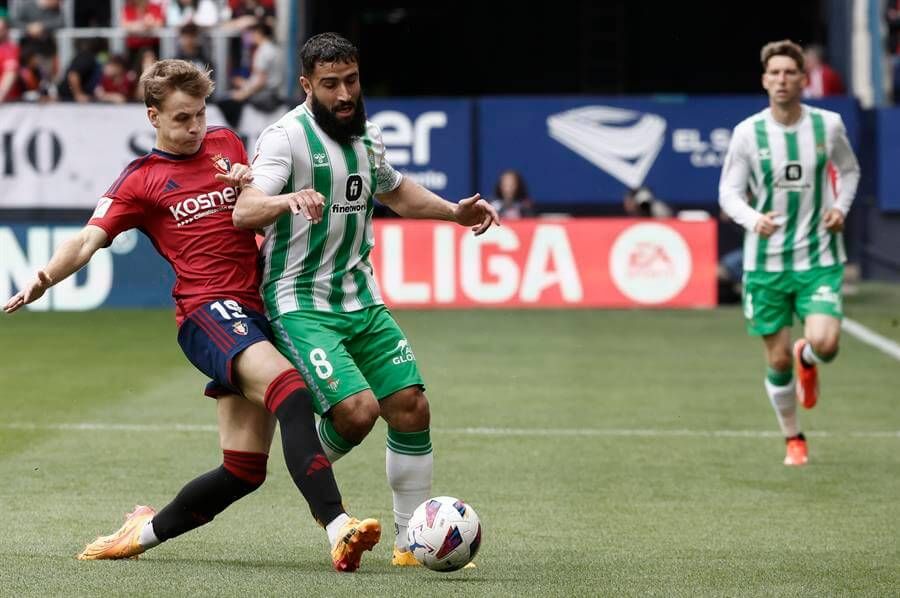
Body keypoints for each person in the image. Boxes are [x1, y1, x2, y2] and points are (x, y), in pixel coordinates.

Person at [3, 59, 380, 573]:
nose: (195, 127)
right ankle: (340, 528)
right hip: (207, 311)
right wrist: (43, 278)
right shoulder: (141, 181)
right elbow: (90, 239)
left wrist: (251, 183)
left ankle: (142, 533)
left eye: (200, 114)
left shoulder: (227, 144)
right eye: (182, 118)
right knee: (289, 390)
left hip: (256, 310)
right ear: (153, 116)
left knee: (244, 470)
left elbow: (253, 202)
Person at [233, 32, 499, 567]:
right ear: (307, 85)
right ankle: (307, 464)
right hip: (299, 301)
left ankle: (409, 538)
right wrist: (286, 200)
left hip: (361, 298)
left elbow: (395, 190)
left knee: (409, 407)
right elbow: (245, 209)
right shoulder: (285, 138)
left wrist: (453, 212)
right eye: (330, 85)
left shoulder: (367, 136)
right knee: (356, 413)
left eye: (351, 80)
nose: (344, 93)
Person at [718, 39, 860, 466]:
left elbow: (849, 170)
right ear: (765, 81)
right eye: (774, 73)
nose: (782, 79)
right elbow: (728, 192)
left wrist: (840, 207)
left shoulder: (829, 125)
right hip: (766, 264)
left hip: (819, 257)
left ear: (803, 79)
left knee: (826, 342)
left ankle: (810, 356)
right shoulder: (748, 132)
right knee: (776, 358)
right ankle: (793, 438)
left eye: (789, 73)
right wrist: (751, 218)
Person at [218, 20, 282, 128]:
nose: (251, 36)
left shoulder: (263, 51)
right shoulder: (273, 49)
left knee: (224, 102)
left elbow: (261, 81)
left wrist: (243, 93)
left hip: (265, 96)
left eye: (253, 32)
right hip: (270, 92)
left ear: (259, 33)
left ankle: (234, 131)